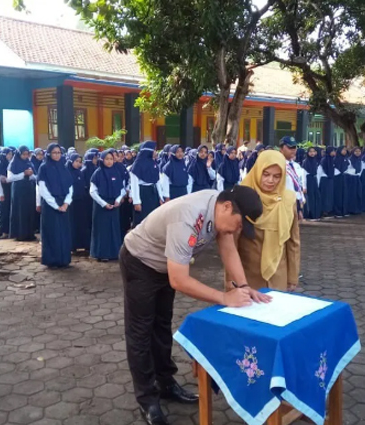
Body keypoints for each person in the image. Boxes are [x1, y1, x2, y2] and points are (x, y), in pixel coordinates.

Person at [120, 185, 268, 425]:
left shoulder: (221, 208)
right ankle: (147, 400)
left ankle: (166, 383)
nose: (238, 230)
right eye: (240, 224)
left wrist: (242, 287)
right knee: (140, 333)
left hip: (165, 264)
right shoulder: (187, 218)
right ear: (227, 207)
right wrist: (224, 297)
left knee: (161, 326)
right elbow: (178, 280)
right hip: (141, 262)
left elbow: (228, 245)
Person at [229, 150, 299, 291]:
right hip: (247, 276)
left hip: (279, 275)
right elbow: (231, 244)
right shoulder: (242, 197)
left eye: (277, 176)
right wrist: (231, 279)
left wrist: (292, 277)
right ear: (257, 170)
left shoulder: (288, 200)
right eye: (266, 174)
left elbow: (293, 242)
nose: (270, 180)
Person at [37, 144, 74, 268]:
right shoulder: (44, 168)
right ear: (49, 154)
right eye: (54, 152)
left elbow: (70, 187)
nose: (57, 155)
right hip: (50, 206)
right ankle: (52, 260)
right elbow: (42, 189)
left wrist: (66, 203)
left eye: (59, 152)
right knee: (52, 233)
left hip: (64, 205)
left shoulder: (64, 168)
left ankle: (64, 259)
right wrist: (55, 205)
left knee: (63, 233)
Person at [90, 150, 126, 262]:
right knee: (102, 229)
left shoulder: (116, 172)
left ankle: (114, 252)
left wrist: (118, 200)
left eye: (111, 159)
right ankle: (101, 253)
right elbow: (93, 192)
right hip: (101, 206)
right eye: (107, 159)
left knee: (114, 228)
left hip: (114, 204)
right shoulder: (98, 173)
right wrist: (104, 204)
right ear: (102, 160)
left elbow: (122, 189)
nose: (109, 161)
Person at [8, 146, 38, 242]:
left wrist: (31, 175)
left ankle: (29, 233)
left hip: (29, 190)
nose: (25, 156)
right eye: (23, 154)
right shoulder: (14, 163)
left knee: (29, 211)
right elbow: (10, 178)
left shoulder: (29, 163)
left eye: (27, 154)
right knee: (20, 211)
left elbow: (34, 176)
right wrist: (23, 174)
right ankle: (20, 234)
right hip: (18, 191)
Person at [130, 141, 164, 225]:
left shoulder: (154, 164)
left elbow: (157, 181)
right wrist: (137, 202)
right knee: (142, 220)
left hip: (153, 194)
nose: (156, 152)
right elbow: (134, 185)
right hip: (142, 194)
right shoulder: (137, 165)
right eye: (154, 150)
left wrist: (160, 197)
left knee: (153, 219)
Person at [67, 152, 92, 253]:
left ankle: (83, 243)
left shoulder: (80, 172)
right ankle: (72, 245)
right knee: (72, 224)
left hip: (81, 201)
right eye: (76, 161)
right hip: (71, 202)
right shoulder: (67, 172)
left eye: (80, 162)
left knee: (82, 223)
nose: (78, 164)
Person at [0, 148, 13, 239]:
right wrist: (0, 193)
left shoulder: (7, 164)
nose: (10, 156)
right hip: (1, 192)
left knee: (6, 211)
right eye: (9, 154)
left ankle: (6, 231)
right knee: (1, 212)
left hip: (7, 191)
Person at [302, 147, 322, 220]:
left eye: (313, 151)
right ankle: (310, 214)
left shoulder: (316, 161)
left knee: (316, 196)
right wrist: (304, 186)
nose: (312, 153)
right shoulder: (305, 162)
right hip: (308, 180)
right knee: (310, 198)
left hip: (314, 180)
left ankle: (316, 214)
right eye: (310, 151)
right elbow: (304, 174)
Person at [345, 146, 363, 214]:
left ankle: (357, 208)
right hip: (350, 178)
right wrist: (354, 172)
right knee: (351, 194)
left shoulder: (360, 160)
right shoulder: (349, 160)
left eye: (359, 151)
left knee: (358, 193)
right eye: (356, 151)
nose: (358, 153)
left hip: (357, 178)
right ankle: (351, 209)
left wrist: (358, 174)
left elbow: (361, 169)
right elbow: (347, 169)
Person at [332, 146, 349, 218]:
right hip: (337, 178)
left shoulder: (346, 159)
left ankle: (344, 210)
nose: (344, 151)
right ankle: (337, 211)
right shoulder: (335, 159)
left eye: (345, 150)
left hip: (343, 177)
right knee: (338, 194)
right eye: (343, 150)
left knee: (344, 194)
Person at [319, 146, 336, 216]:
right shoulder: (324, 159)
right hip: (325, 179)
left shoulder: (332, 159)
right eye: (333, 151)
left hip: (330, 179)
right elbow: (324, 169)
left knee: (330, 195)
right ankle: (324, 210)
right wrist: (329, 175)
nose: (334, 153)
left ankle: (329, 209)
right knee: (325, 195)